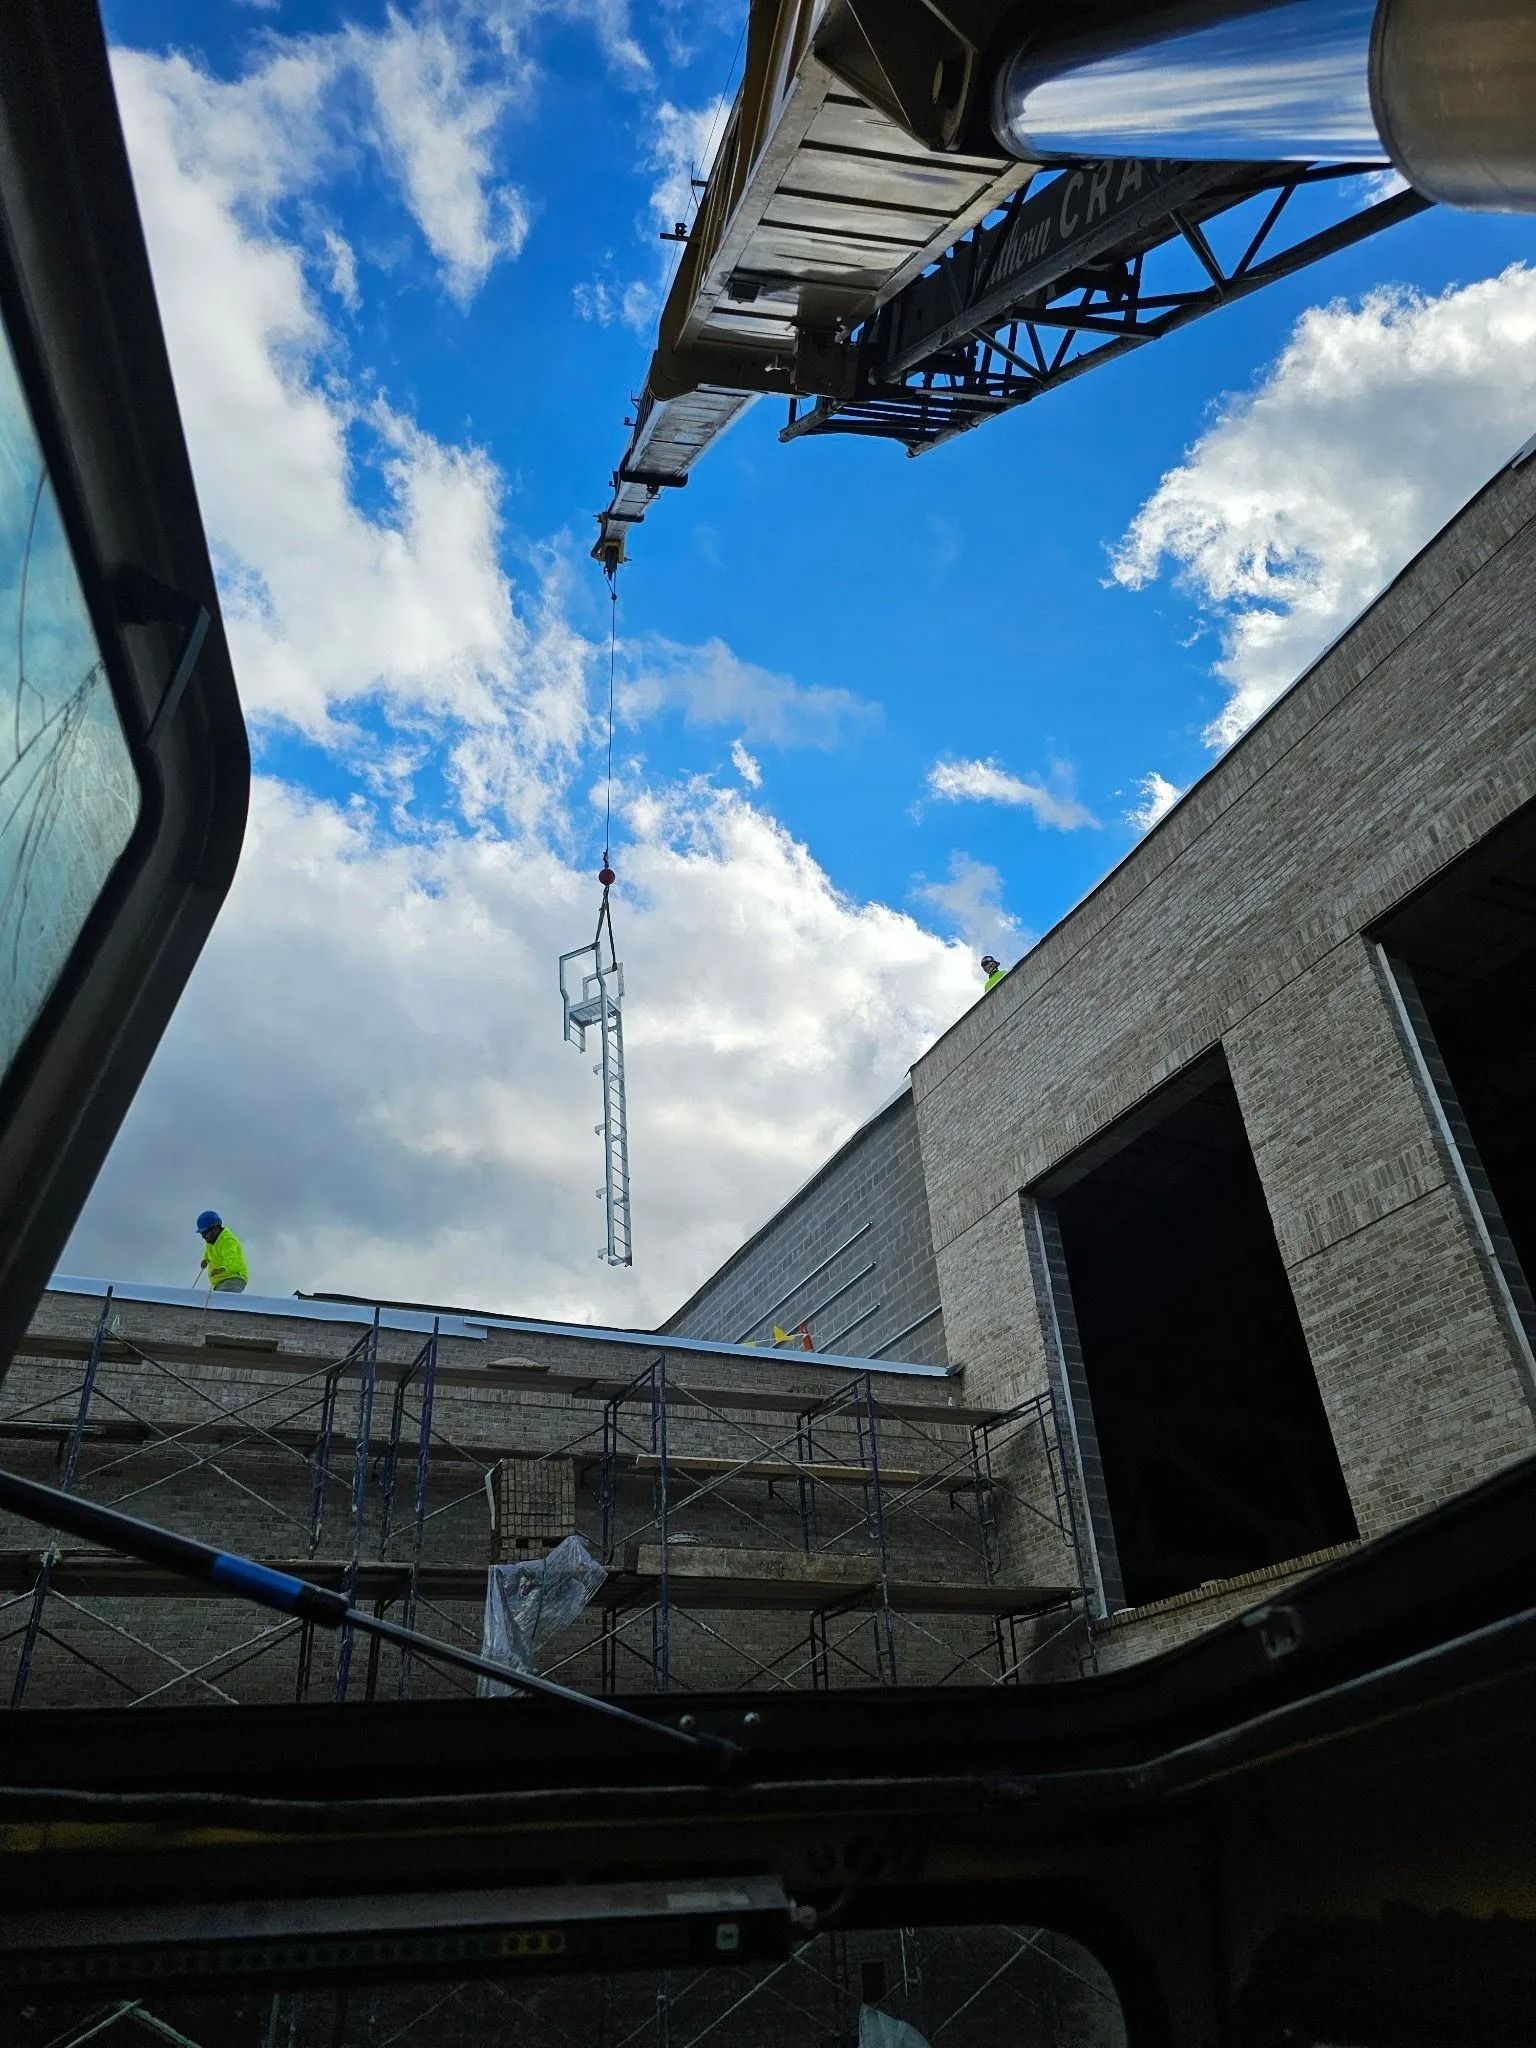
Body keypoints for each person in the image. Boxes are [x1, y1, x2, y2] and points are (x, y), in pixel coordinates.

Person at [196, 1210, 249, 1294]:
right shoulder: (211, 1241)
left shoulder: (228, 1240)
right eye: (201, 1233)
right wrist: (205, 1260)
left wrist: (224, 1268)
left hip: (234, 1277)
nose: (203, 1236)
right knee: (216, 1300)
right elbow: (208, 1252)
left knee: (221, 1300)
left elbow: (230, 1256)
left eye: (205, 1233)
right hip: (220, 1281)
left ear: (215, 1229)